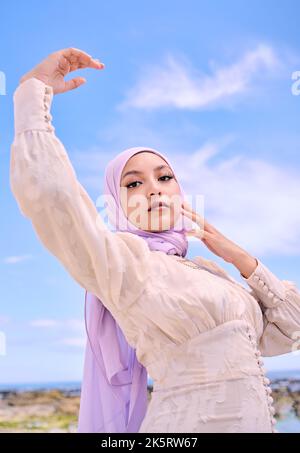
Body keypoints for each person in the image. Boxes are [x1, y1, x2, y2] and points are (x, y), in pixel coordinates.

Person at [10, 48, 300, 433]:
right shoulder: (126, 265)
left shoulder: (212, 273)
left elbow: (292, 329)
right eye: (133, 183)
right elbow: (54, 200)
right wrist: (34, 95)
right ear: (115, 202)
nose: (153, 190)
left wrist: (243, 260)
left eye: (165, 177)